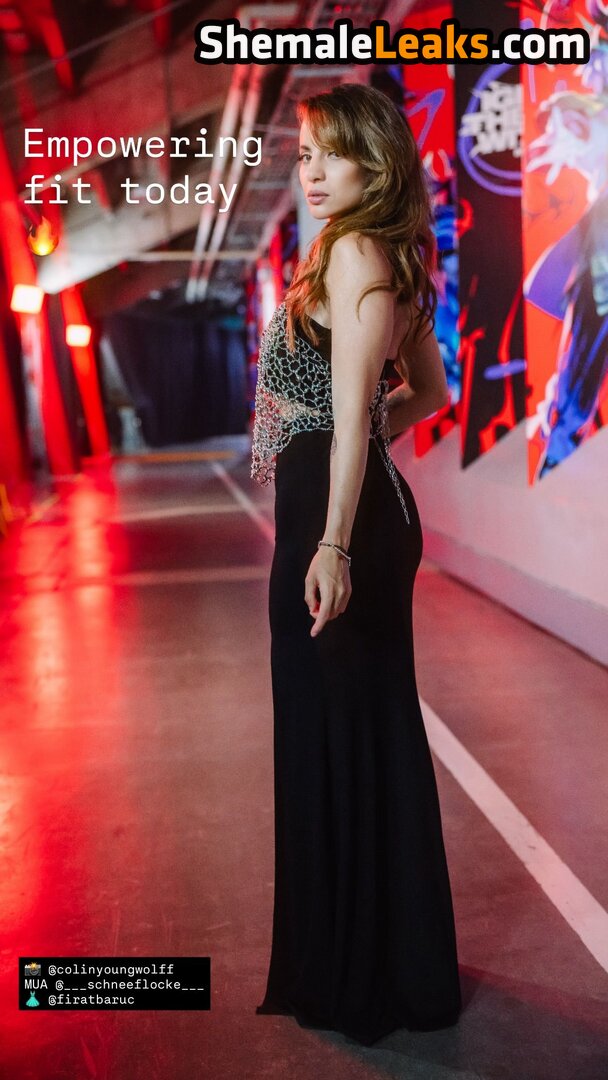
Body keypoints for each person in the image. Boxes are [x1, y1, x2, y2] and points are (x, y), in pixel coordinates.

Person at [251, 82, 462, 1046]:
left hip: (341, 526)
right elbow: (428, 392)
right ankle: (383, 958)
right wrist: (366, 439)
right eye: (304, 155)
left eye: (330, 153)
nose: (313, 171)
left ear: (374, 161)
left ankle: (363, 971)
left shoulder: (358, 255)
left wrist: (335, 542)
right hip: (340, 511)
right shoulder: (371, 254)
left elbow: (348, 420)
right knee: (352, 731)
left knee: (342, 733)